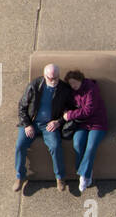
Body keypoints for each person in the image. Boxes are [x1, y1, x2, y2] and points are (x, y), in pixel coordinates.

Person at [15, 63, 73, 192]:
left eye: (56, 78)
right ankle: (20, 176)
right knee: (20, 145)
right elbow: (22, 107)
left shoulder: (64, 89)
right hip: (32, 122)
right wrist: (27, 124)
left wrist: (58, 122)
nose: (53, 81)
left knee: (55, 146)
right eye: (50, 78)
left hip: (49, 125)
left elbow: (69, 110)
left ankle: (60, 177)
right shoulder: (35, 86)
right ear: (44, 75)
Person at [62, 69, 107, 193]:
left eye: (75, 83)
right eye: (71, 84)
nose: (73, 86)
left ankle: (83, 176)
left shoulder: (91, 89)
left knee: (91, 146)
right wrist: (66, 111)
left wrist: (70, 115)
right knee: (77, 143)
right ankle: (87, 171)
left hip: (97, 123)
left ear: (80, 79)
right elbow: (68, 104)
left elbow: (88, 110)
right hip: (82, 124)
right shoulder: (72, 92)